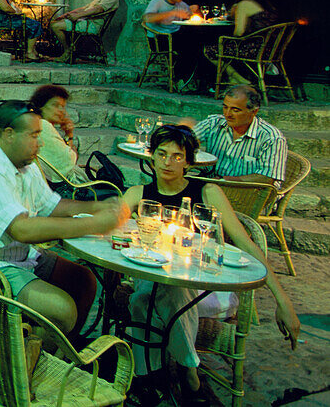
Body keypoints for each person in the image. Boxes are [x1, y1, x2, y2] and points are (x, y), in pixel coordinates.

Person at [122, 124, 299, 406]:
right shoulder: (138, 193)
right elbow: (110, 225)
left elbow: (246, 244)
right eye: (161, 154)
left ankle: (166, 375)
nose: (168, 162)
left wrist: (283, 301)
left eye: (177, 156)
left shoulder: (207, 193)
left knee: (152, 298)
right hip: (155, 280)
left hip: (206, 288)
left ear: (189, 162)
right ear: (151, 156)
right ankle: (185, 375)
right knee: (147, 295)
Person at [0, 101, 129, 338]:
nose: (40, 143)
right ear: (9, 134)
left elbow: (50, 205)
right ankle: (22, 366)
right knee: (62, 312)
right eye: (34, 135)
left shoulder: (22, 161)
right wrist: (96, 224)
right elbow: (22, 230)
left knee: (83, 281)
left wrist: (98, 207)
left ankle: (57, 357)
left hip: (7, 254)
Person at [189, 84, 287, 185]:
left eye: (235, 110)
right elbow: (184, 139)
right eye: (225, 107)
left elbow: (268, 177)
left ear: (254, 112)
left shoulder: (271, 138)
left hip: (246, 192)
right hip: (211, 185)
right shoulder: (214, 123)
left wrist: (225, 181)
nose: (227, 114)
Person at [203, 0, 280, 84]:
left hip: (254, 50)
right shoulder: (265, 4)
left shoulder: (244, 4)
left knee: (209, 50)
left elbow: (239, 32)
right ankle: (233, 80)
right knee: (226, 46)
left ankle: (239, 79)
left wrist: (236, 14)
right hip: (270, 49)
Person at [49, 0, 120, 62]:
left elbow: (98, 9)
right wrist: (67, 14)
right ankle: (70, 50)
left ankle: (67, 52)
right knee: (55, 23)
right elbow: (85, 8)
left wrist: (77, 16)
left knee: (55, 26)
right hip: (86, 22)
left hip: (92, 25)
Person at [28, 85, 87, 189]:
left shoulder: (40, 124)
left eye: (63, 106)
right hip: (59, 189)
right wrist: (70, 136)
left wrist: (68, 134)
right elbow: (67, 161)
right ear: (41, 106)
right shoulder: (43, 126)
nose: (62, 111)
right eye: (55, 105)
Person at [144, 0, 197, 83]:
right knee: (189, 46)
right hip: (159, 39)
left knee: (197, 42)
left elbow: (192, 16)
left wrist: (195, 12)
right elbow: (146, 18)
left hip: (176, 37)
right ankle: (180, 80)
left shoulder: (181, 4)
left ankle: (191, 80)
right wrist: (173, 13)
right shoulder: (157, 2)